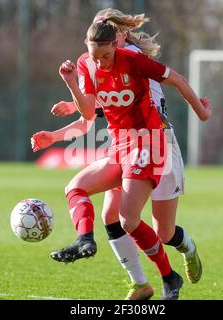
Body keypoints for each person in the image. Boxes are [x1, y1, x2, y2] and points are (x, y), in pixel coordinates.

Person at [33, 16, 211, 300]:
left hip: (155, 141)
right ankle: (102, 253)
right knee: (94, 203)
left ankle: (179, 260)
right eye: (96, 56)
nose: (101, 62)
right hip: (122, 144)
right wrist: (71, 92)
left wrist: (202, 112)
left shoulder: (133, 59)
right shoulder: (88, 63)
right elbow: (90, 113)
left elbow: (175, 79)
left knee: (157, 229)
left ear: (118, 40)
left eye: (106, 54)